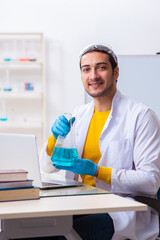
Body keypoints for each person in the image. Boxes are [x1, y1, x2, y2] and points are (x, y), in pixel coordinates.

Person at [40, 44, 160, 240]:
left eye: (101, 67)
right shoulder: (78, 115)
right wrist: (55, 137)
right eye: (86, 69)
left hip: (116, 212)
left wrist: (96, 171)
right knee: (26, 228)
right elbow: (47, 166)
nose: (93, 75)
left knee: (52, 235)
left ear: (116, 72)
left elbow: (150, 182)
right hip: (78, 204)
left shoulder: (142, 116)